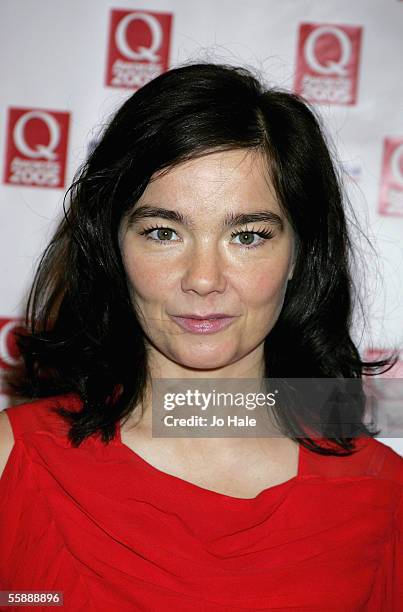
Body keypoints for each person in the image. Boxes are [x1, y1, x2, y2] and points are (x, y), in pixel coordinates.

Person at [0, 62, 402, 611]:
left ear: (300, 254)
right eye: (164, 232)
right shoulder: (15, 462)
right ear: (113, 247)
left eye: (248, 235)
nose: (204, 279)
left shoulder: (384, 499)